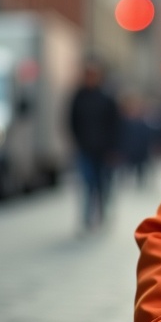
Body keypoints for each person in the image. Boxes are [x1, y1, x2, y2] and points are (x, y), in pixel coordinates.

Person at [68, 60, 119, 230]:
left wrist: (113, 148)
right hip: (85, 148)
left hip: (104, 150)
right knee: (88, 183)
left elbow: (115, 124)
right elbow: (71, 121)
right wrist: (77, 141)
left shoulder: (107, 98)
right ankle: (87, 217)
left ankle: (102, 213)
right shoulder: (79, 97)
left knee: (103, 183)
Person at [118, 93, 154, 186]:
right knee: (128, 167)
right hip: (129, 149)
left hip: (140, 149)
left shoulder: (143, 122)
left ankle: (140, 182)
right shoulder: (123, 122)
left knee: (140, 168)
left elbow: (147, 136)